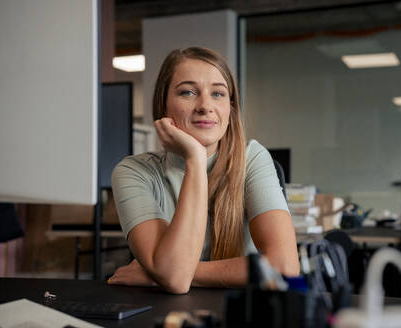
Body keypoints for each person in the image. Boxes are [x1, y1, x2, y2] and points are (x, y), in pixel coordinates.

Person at [108, 46, 299, 294]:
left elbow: (284, 267)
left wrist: (162, 273)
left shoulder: (252, 158)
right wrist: (195, 159)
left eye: (218, 94)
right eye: (188, 92)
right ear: (163, 105)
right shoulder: (133, 172)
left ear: (230, 110)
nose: (205, 106)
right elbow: (175, 280)